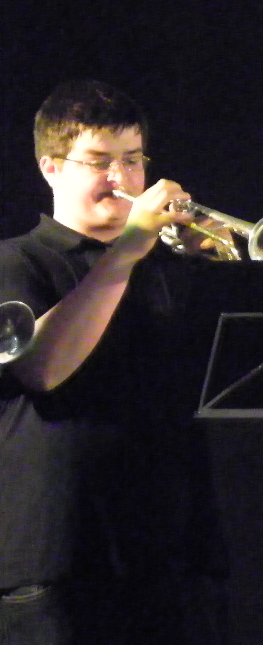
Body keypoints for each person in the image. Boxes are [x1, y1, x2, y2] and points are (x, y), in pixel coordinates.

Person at [0, 80, 226, 645]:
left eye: (132, 159)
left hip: (171, 554)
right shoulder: (17, 261)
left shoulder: (161, 265)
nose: (121, 178)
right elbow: (43, 369)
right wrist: (128, 248)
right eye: (99, 161)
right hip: (61, 560)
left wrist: (220, 271)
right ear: (51, 168)